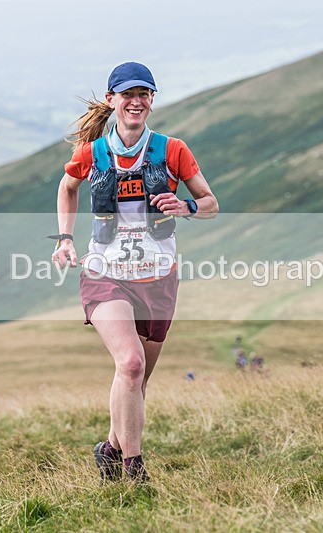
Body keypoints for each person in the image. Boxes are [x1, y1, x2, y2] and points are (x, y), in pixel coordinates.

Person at [52, 62, 218, 482]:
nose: (136, 101)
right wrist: (65, 238)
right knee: (129, 363)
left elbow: (211, 203)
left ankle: (109, 448)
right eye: (128, 94)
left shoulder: (172, 150)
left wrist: (186, 207)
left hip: (159, 277)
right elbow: (67, 186)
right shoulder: (93, 153)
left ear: (151, 101)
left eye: (144, 94)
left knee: (137, 380)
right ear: (112, 101)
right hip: (106, 272)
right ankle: (134, 468)